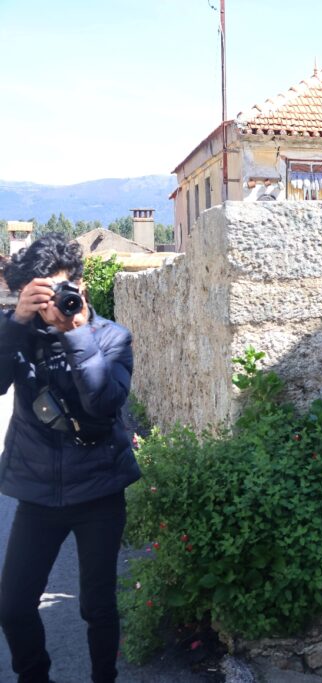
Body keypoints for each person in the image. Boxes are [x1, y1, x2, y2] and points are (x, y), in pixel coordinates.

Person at [0, 234, 139, 683]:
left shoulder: (112, 337)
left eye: (61, 290)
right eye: (42, 295)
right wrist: (17, 321)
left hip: (99, 491)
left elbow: (103, 402)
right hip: (38, 495)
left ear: (80, 286)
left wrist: (76, 334)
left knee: (97, 605)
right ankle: (33, 677)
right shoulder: (18, 334)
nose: (54, 303)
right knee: (13, 605)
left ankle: (104, 679)